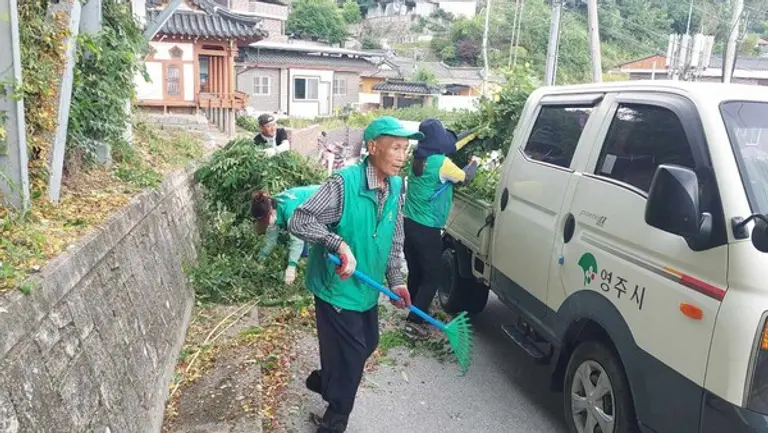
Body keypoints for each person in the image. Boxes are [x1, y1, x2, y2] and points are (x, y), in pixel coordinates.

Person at [288, 116, 424, 433]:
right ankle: (335, 419)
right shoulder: (343, 184)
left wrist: (397, 280)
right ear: (373, 147)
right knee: (351, 356)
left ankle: (325, 380)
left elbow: (394, 238)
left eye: (406, 149)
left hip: (367, 288)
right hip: (337, 287)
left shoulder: (394, 186)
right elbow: (300, 220)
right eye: (396, 147)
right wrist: (338, 243)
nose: (403, 156)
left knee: (368, 343)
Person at [401, 118, 480, 341]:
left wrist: (472, 132)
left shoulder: (418, 158)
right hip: (427, 229)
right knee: (432, 276)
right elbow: (466, 177)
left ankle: (416, 309)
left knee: (416, 271)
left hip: (410, 224)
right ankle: (414, 322)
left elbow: (451, 146)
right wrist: (475, 161)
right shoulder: (441, 163)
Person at [251, 185, 320, 285]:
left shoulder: (290, 213)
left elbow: (297, 240)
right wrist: (261, 256)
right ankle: (303, 258)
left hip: (321, 200)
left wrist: (291, 266)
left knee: (314, 237)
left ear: (270, 213)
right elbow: (271, 239)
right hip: (303, 208)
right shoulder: (270, 205)